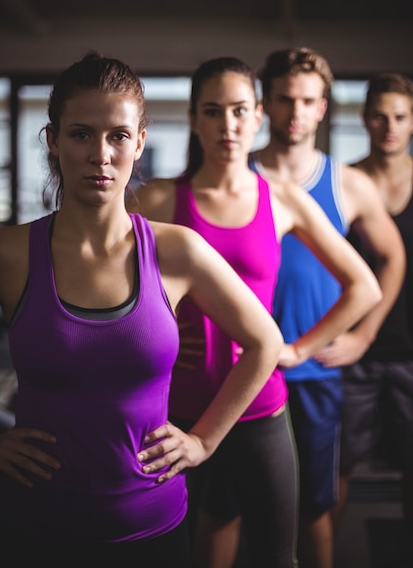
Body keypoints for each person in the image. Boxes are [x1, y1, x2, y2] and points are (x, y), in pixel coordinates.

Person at [0, 52, 287, 568]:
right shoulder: (11, 254)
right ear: (52, 141)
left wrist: (202, 442)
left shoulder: (178, 251)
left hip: (152, 527)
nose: (101, 155)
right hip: (34, 525)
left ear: (140, 142)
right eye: (81, 134)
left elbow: (265, 342)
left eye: (118, 136)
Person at [130, 56, 382, 568]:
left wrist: (296, 349)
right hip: (180, 409)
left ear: (258, 115)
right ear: (194, 119)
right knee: (187, 546)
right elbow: (117, 297)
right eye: (213, 111)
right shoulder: (158, 199)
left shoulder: (284, 199)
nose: (228, 125)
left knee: (276, 554)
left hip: (260, 405)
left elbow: (364, 286)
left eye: (240, 110)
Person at [247, 47, 406, 568]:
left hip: (314, 373)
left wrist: (362, 336)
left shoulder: (347, 184)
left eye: (308, 101)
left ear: (322, 109)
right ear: (266, 105)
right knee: (234, 506)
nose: (296, 111)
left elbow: (392, 259)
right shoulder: (233, 178)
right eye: (285, 99)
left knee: (317, 504)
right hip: (245, 371)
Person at [334, 73, 413, 539]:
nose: (389, 125)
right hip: (353, 353)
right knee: (336, 467)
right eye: (380, 115)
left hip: (411, 353)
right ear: (365, 120)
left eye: (400, 117)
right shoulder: (346, 185)